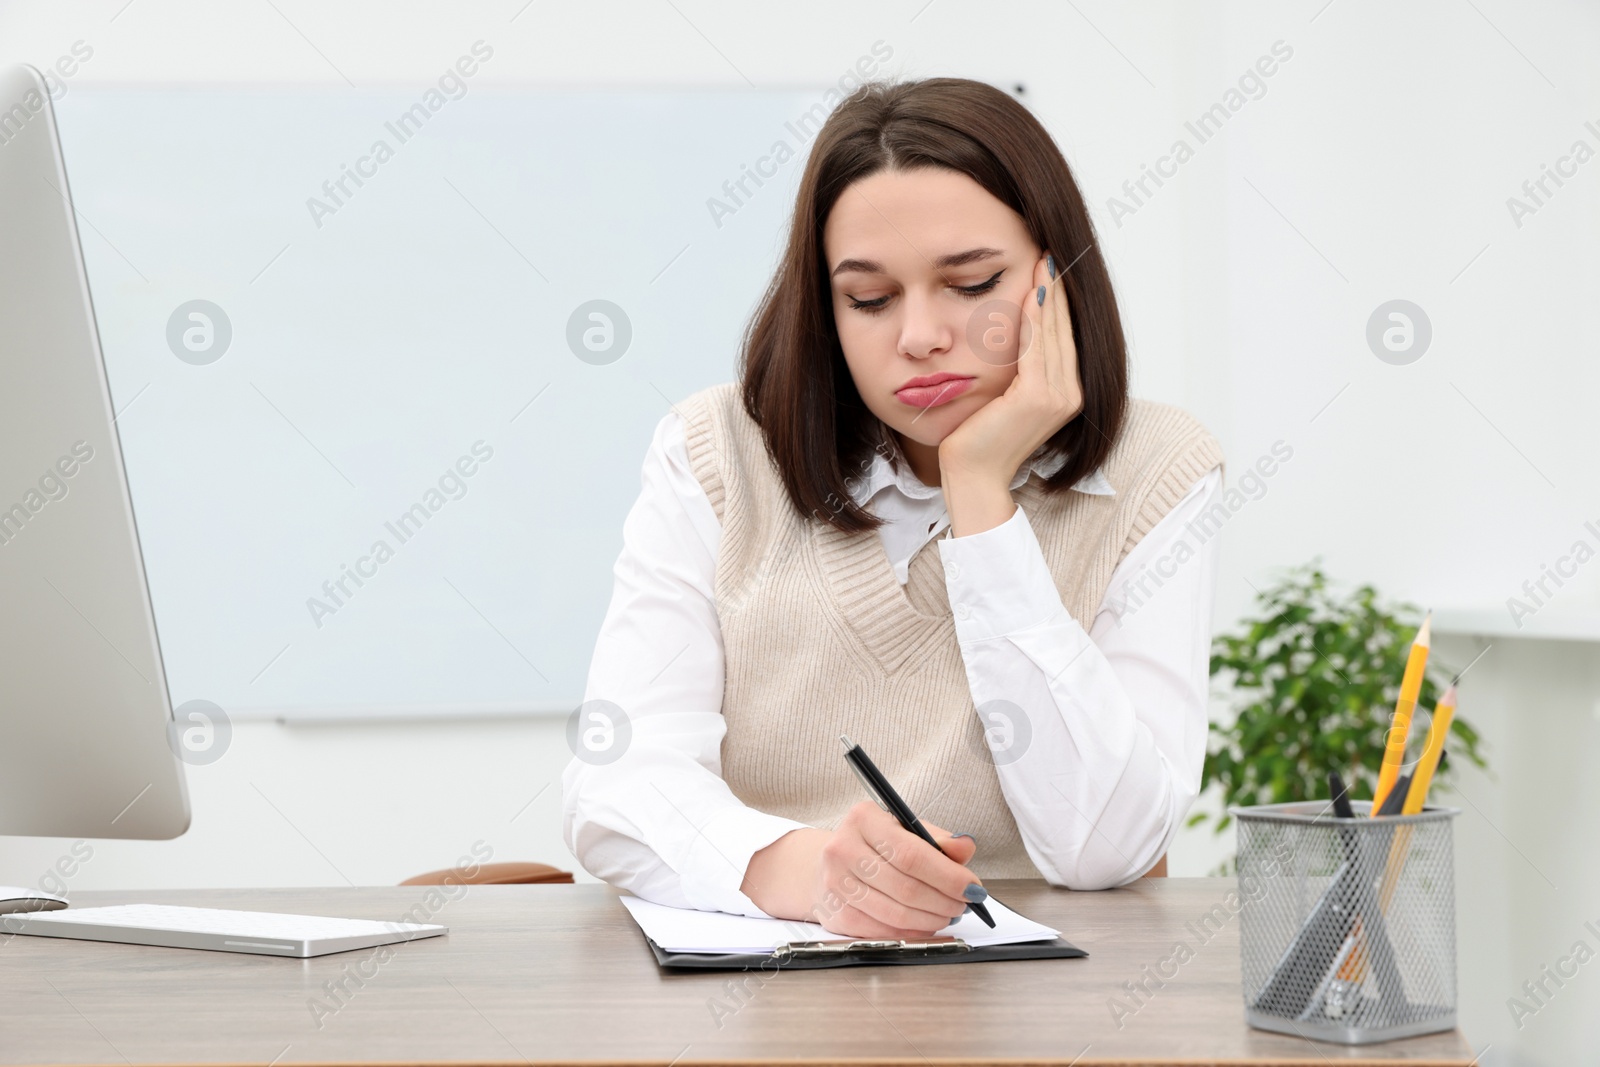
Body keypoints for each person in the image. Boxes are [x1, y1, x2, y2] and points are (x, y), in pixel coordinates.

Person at [562, 77, 1224, 939]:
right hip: (765, 990)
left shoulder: (1160, 470)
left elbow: (1103, 847)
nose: (918, 336)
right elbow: (614, 781)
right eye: (868, 299)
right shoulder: (714, 450)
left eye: (971, 282)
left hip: (1049, 1012)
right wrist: (793, 867)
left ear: (1053, 281)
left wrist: (981, 496)